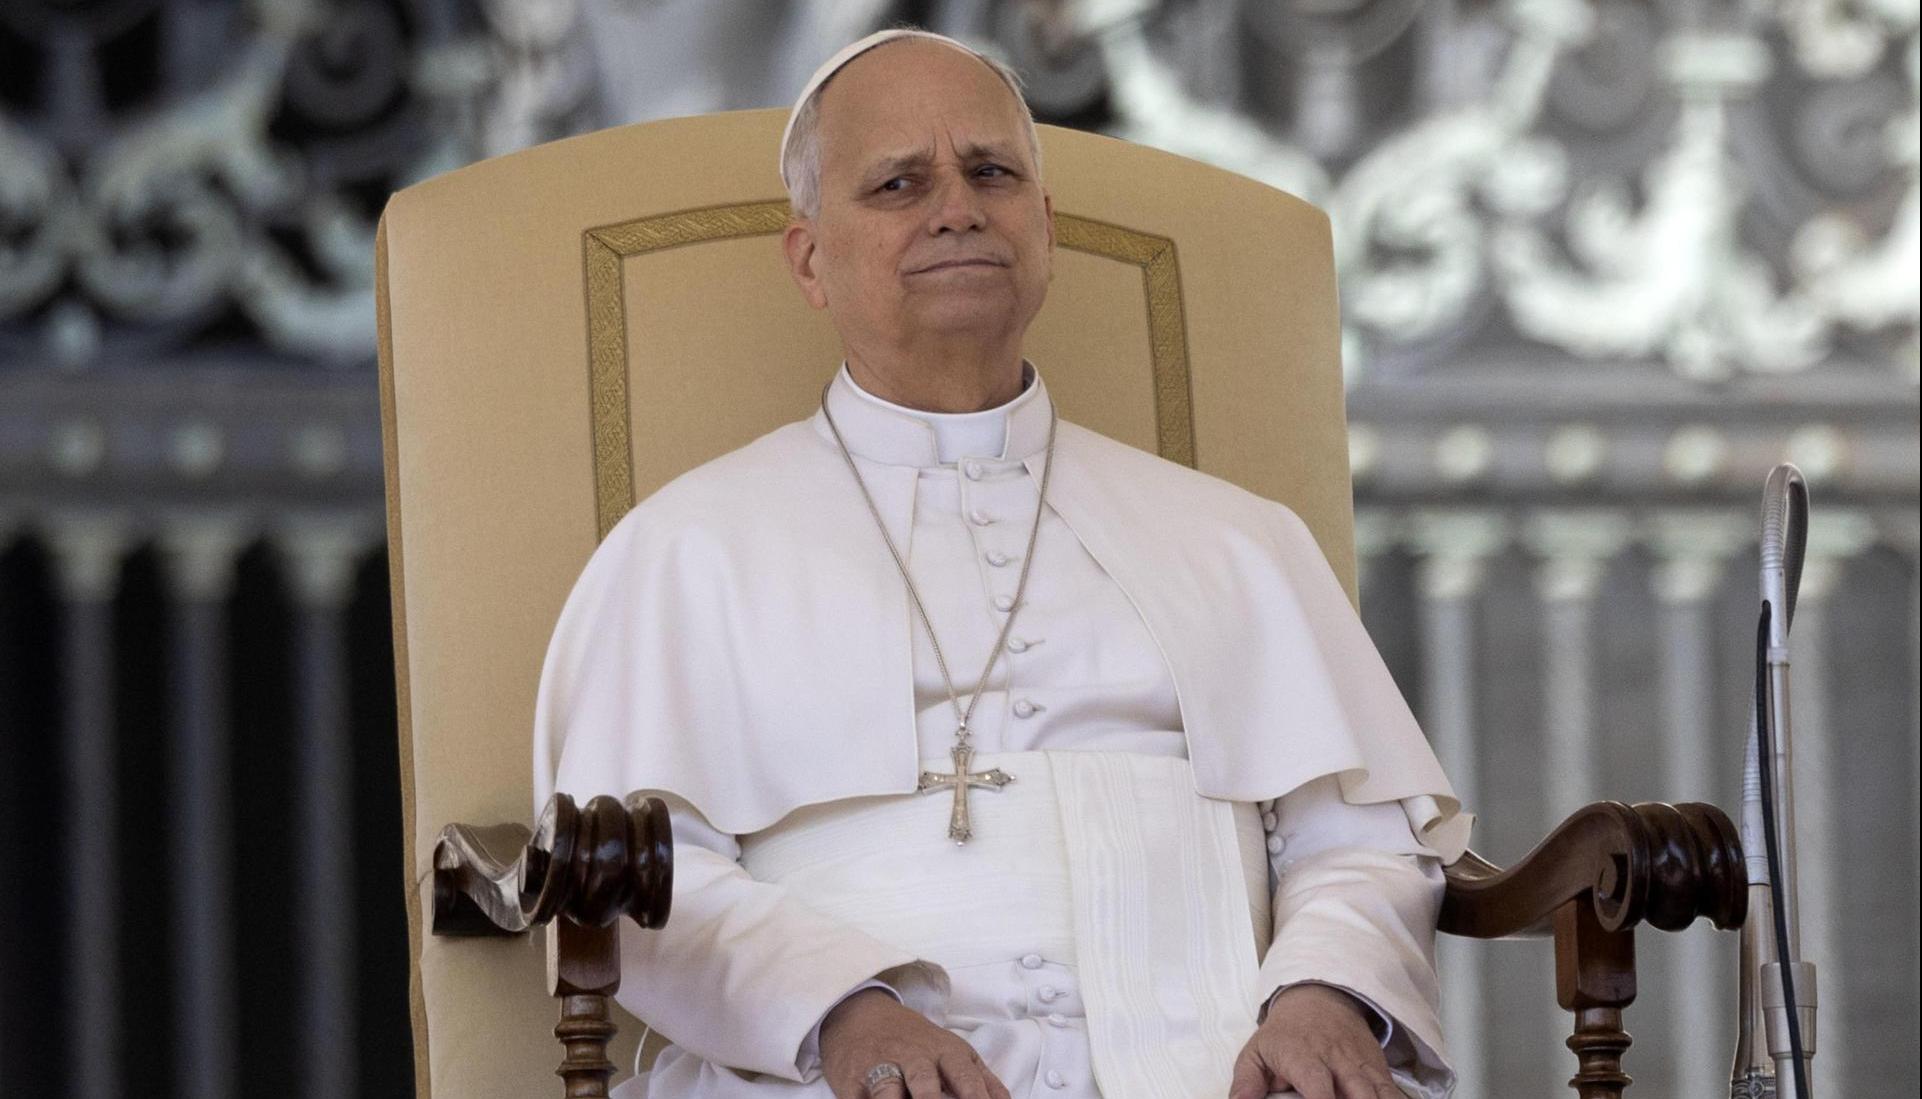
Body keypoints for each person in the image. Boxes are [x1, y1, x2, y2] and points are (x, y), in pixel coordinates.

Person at [534, 27, 1470, 1099]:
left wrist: (1318, 993)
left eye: (991, 173)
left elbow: (1356, 837)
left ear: (1044, 229)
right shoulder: (686, 548)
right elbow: (636, 878)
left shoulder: (1235, 539)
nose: (956, 208)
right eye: (897, 183)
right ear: (809, 261)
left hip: (1225, 1067)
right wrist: (839, 1010)